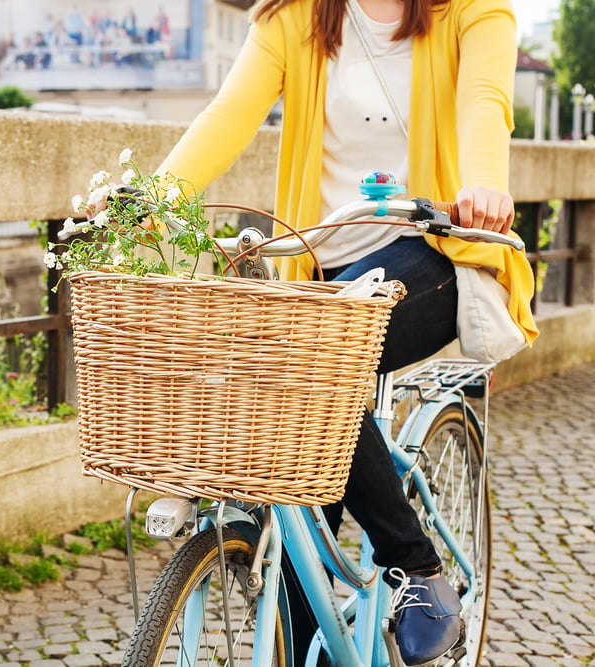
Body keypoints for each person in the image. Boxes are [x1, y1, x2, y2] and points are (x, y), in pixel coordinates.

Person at [151, 0, 539, 665]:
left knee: (310, 362)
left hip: (434, 254)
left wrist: (483, 185)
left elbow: (485, 103)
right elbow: (227, 114)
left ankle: (417, 569)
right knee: (305, 489)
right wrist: (152, 195)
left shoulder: (475, 11)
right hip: (322, 270)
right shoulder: (292, 17)